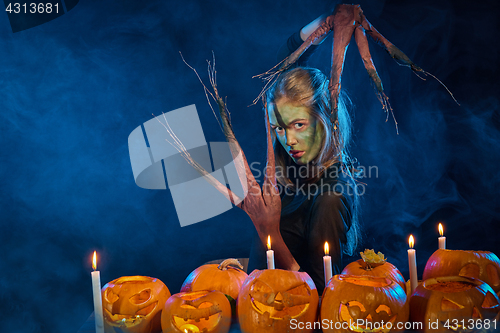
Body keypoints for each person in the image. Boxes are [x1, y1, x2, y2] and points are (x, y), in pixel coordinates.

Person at [246, 14, 361, 295]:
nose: (289, 140)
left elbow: (322, 296)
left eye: (299, 125)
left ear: (326, 120)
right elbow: (287, 58)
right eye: (279, 128)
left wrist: (268, 230)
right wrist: (329, 19)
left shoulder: (330, 196)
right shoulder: (297, 164)